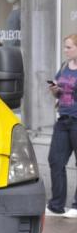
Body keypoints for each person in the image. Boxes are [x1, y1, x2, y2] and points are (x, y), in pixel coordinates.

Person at [46, 34, 77, 218]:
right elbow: (59, 93)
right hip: (63, 120)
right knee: (55, 161)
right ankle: (56, 205)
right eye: (65, 47)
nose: (65, 50)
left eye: (68, 47)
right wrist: (55, 90)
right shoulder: (65, 67)